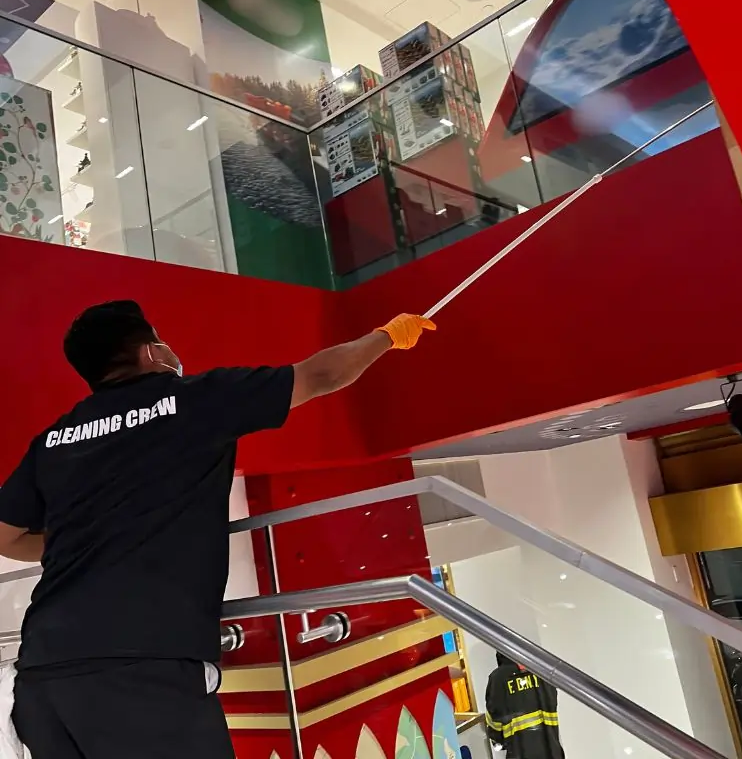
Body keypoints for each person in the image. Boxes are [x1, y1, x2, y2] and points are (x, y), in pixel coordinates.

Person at [0, 300, 435, 759]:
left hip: (44, 675)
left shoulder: (56, 439)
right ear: (151, 353)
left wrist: (77, 540)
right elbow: (320, 376)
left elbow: (4, 537)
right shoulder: (193, 399)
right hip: (142, 671)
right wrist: (388, 334)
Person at [485, 652, 564, 759]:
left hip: (519, 753)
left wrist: (498, 741)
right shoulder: (542, 670)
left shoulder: (497, 679)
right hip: (552, 751)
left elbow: (494, 718)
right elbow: (552, 701)